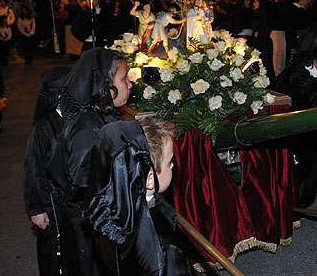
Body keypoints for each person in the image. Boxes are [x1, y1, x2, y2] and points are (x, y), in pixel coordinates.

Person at [80, 118, 197, 276]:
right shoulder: (168, 249)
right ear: (150, 180)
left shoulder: (105, 214)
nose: (173, 166)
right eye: (169, 162)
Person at [59, 48, 132, 276]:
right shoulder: (87, 128)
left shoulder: (104, 115)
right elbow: (87, 185)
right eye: (124, 78)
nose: (130, 84)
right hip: (92, 224)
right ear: (104, 84)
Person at [276, 26, 317, 207]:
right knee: (295, 174)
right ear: (313, 48)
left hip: (312, 126)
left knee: (313, 167)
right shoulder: (298, 73)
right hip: (290, 130)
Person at [23, 67, 72, 276]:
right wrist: (36, 208)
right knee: (54, 254)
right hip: (52, 203)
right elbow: (33, 169)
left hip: (76, 202)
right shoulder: (42, 128)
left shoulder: (79, 118)